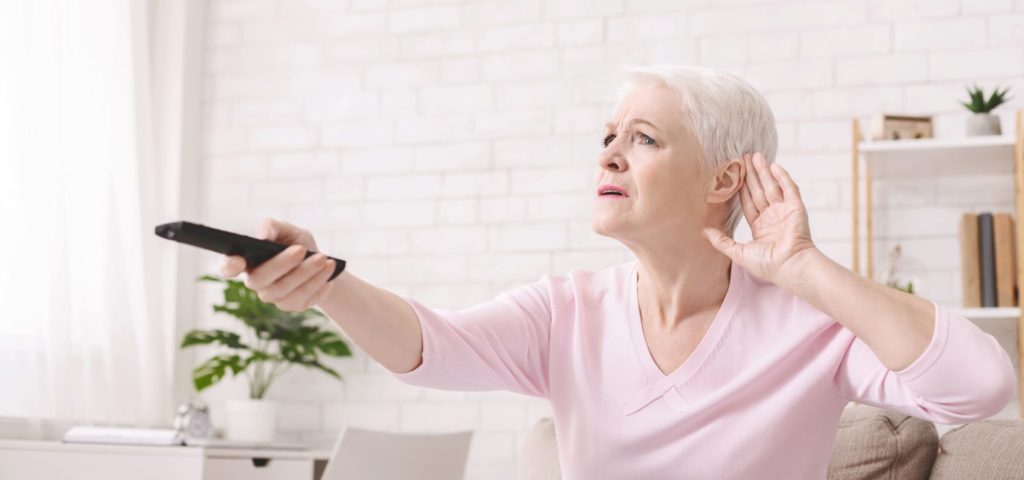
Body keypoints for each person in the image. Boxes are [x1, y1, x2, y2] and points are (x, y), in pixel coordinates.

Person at [219, 65, 1016, 479]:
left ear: (722, 179)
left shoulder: (811, 321)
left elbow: (980, 388)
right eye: (608, 135)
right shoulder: (567, 311)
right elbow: (433, 346)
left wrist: (809, 269)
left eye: (643, 138)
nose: (607, 153)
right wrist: (325, 282)